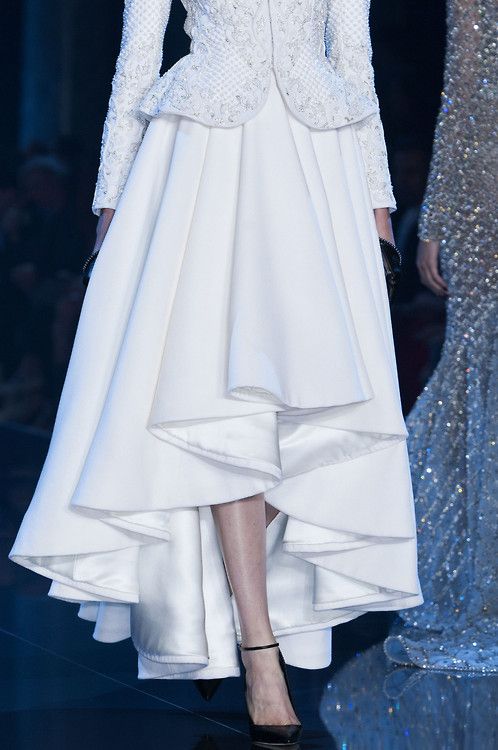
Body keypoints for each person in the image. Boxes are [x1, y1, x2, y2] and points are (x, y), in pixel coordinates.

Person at [10, 0, 422, 741]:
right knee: (223, 405)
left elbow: (354, 59)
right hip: (205, 165)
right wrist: (111, 208)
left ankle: (211, 585)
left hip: (318, 168)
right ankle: (261, 655)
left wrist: (378, 209)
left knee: (316, 417)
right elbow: (137, 58)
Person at [385, 0, 497, 673]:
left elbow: (464, 92)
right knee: (481, 380)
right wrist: (435, 217)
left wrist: (435, 220)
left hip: (484, 190)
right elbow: (462, 92)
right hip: (485, 197)